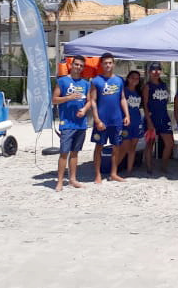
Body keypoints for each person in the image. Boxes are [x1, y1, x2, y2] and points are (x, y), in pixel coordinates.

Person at [52, 55, 92, 191]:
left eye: (81, 65)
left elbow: (90, 101)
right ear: (71, 65)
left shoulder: (86, 83)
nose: (78, 67)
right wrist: (68, 98)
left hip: (80, 123)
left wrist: (84, 109)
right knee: (64, 152)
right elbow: (54, 100)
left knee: (75, 153)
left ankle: (73, 179)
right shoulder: (62, 81)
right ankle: (60, 181)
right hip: (67, 123)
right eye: (76, 64)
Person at [90, 53, 129, 183]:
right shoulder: (96, 80)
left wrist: (127, 115)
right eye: (105, 63)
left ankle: (114, 173)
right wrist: (97, 120)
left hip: (116, 120)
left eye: (110, 63)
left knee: (116, 146)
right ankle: (97, 174)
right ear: (101, 64)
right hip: (102, 120)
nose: (108, 65)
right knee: (99, 147)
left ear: (113, 64)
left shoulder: (119, 80)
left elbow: (122, 98)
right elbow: (93, 101)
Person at [143, 62, 174, 173]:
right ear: (149, 72)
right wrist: (149, 121)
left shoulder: (164, 85)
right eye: (153, 70)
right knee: (150, 143)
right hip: (152, 118)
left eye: (158, 70)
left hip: (164, 118)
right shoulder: (147, 86)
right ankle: (149, 167)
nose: (156, 72)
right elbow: (145, 105)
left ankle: (164, 166)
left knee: (170, 144)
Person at [120, 70, 144, 175]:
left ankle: (129, 170)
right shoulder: (123, 91)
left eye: (137, 78)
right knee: (124, 147)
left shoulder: (139, 92)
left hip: (137, 121)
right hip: (125, 122)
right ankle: (114, 170)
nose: (135, 80)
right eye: (132, 77)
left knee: (133, 147)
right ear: (128, 78)